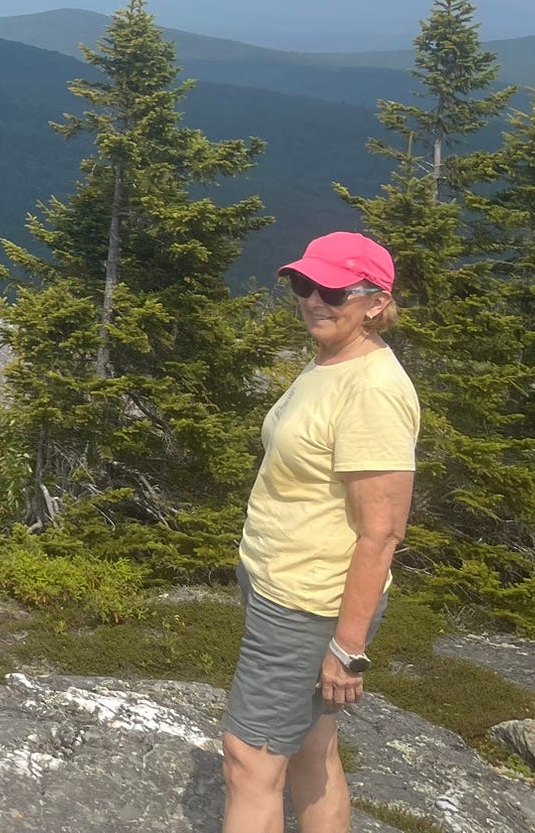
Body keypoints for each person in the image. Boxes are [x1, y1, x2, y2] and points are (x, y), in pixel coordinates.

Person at [222, 231, 418, 833]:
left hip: (305, 604)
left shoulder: (373, 389)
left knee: (248, 763)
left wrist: (347, 650)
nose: (313, 300)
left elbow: (381, 533)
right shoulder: (332, 359)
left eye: (333, 291)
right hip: (281, 583)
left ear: (376, 303)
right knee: (311, 744)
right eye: (304, 284)